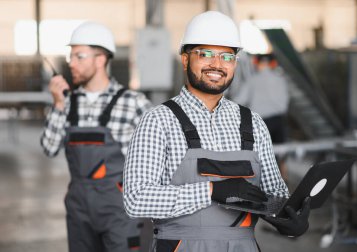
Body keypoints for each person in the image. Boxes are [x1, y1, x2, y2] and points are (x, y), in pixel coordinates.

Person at [123, 11, 310, 252]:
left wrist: (288, 217)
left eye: (227, 56)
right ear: (185, 59)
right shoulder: (158, 121)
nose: (217, 64)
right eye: (206, 54)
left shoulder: (252, 123)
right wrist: (211, 190)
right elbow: (136, 199)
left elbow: (273, 192)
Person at [40, 21, 151, 252]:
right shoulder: (67, 102)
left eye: (79, 56)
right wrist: (58, 104)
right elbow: (49, 148)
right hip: (79, 212)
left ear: (101, 59)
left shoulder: (133, 103)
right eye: (70, 57)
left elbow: (160, 158)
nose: (71, 63)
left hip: (120, 213)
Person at [232, 53, 290, 180]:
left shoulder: (253, 81)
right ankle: (283, 185)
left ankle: (262, 186)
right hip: (279, 120)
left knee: (262, 156)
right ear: (272, 64)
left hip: (261, 123)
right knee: (280, 154)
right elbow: (285, 102)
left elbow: (239, 100)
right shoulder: (280, 79)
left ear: (257, 63)